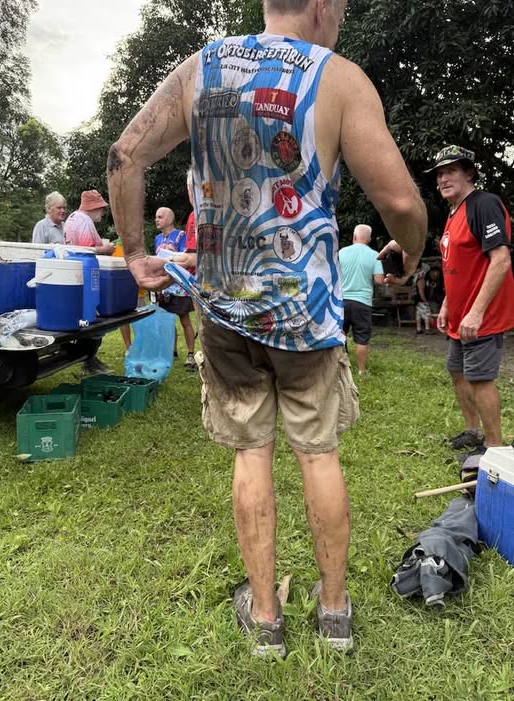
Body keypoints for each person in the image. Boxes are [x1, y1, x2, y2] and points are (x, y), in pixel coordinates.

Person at [107, 0, 427, 657]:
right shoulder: (337, 78)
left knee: (251, 454)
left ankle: (264, 620)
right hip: (305, 314)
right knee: (318, 453)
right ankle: (333, 615)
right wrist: (414, 256)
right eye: (340, 9)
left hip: (227, 312)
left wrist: (135, 252)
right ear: (320, 6)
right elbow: (399, 200)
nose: (339, 20)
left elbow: (125, 154)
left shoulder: (201, 69)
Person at [424, 145, 514, 452]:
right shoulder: (454, 212)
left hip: (482, 315)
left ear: (470, 173)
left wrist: (476, 312)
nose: (443, 179)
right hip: (459, 315)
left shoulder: (484, 204)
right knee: (458, 371)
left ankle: (494, 446)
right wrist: (447, 305)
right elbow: (457, 265)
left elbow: (500, 260)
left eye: (451, 171)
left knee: (480, 378)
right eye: (439, 174)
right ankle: (473, 431)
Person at [64, 190, 116, 374]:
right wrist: (106, 249)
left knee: (85, 318)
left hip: (75, 276)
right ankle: (89, 361)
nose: (102, 212)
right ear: (93, 207)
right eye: (101, 208)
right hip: (86, 275)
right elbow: (86, 250)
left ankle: (89, 359)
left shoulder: (72, 218)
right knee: (94, 318)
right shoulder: (85, 221)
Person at [153, 207, 196, 369]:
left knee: (184, 319)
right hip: (164, 285)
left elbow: (187, 257)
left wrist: (173, 254)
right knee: (167, 320)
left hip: (179, 285)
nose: (156, 220)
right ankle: (172, 351)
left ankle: (190, 354)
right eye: (156, 217)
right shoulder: (157, 238)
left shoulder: (181, 235)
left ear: (170, 219)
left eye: (160, 217)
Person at [339, 224, 384, 374]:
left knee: (340, 334)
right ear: (369, 239)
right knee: (362, 338)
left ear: (354, 236)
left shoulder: (341, 253)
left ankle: (340, 368)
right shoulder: (375, 255)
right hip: (363, 302)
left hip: (342, 301)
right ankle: (361, 371)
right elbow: (379, 280)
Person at [414, 264, 444, 334]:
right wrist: (425, 300)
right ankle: (427, 328)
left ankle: (419, 328)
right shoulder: (421, 281)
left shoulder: (425, 281)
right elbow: (421, 292)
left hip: (418, 300)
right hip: (421, 300)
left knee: (419, 314)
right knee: (427, 314)